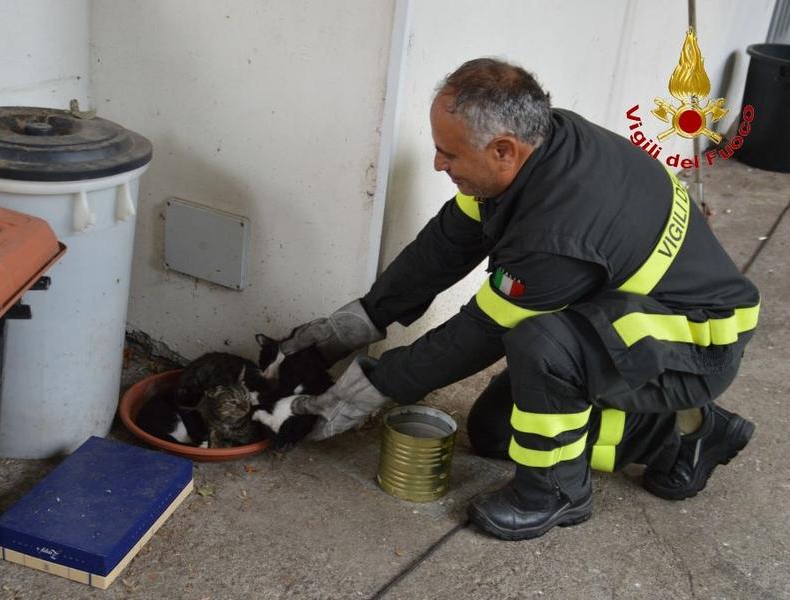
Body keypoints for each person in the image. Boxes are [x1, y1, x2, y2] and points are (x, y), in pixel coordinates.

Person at [277, 58, 760, 541]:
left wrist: (370, 390)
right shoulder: (540, 145)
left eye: (449, 154)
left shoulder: (557, 232)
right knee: (496, 432)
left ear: (503, 150)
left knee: (543, 345)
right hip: (634, 322)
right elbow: (445, 245)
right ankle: (685, 435)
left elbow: (479, 333)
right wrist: (358, 321)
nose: (438, 164)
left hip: (696, 344)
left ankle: (556, 494)